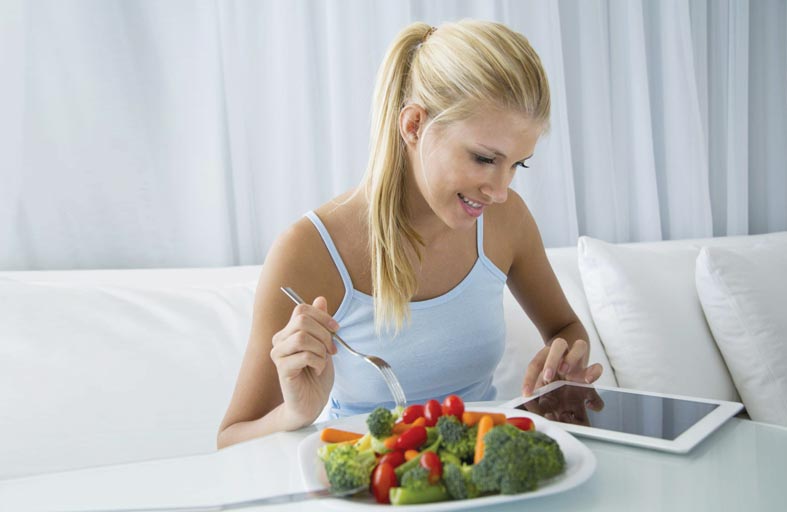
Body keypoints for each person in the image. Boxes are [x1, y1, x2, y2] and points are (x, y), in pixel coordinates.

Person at [217, 19, 603, 448]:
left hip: (483, 470)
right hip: (369, 478)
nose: (499, 191)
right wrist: (296, 414)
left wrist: (564, 364)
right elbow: (231, 439)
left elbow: (566, 327)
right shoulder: (309, 251)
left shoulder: (506, 219)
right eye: (483, 159)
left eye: (518, 164)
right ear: (415, 124)